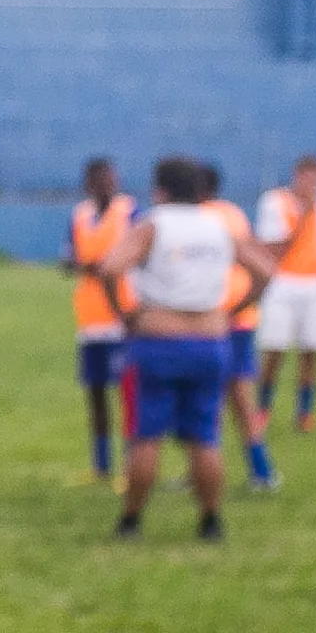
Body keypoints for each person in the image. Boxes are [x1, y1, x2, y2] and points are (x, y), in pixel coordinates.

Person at [94, 155, 277, 541]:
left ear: (160, 189)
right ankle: (210, 521)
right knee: (204, 436)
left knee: (147, 435)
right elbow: (265, 271)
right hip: (210, 341)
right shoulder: (218, 226)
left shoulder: (153, 225)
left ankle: (131, 521)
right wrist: (234, 310)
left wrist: (123, 312)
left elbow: (109, 267)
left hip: (159, 339)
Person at [203, 164, 282, 493]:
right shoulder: (232, 213)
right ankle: (209, 468)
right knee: (229, 397)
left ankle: (260, 470)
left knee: (227, 396)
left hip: (220, 318)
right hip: (238, 316)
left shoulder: (203, 217)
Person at [254, 155, 316, 432]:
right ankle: (262, 408)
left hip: (314, 283)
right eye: (309, 178)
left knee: (311, 349)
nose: (313, 185)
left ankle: (305, 412)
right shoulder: (275, 202)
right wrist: (304, 215)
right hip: (282, 283)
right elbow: (273, 248)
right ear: (297, 176)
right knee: (275, 348)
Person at [63, 157, 134, 485]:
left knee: (127, 395)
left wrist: (96, 266)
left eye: (111, 179)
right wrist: (80, 264)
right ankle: (101, 465)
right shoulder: (80, 215)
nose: (108, 185)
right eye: (101, 180)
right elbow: (69, 258)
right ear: (89, 184)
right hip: (90, 316)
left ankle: (131, 468)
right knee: (95, 393)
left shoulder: (130, 212)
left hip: (123, 316)